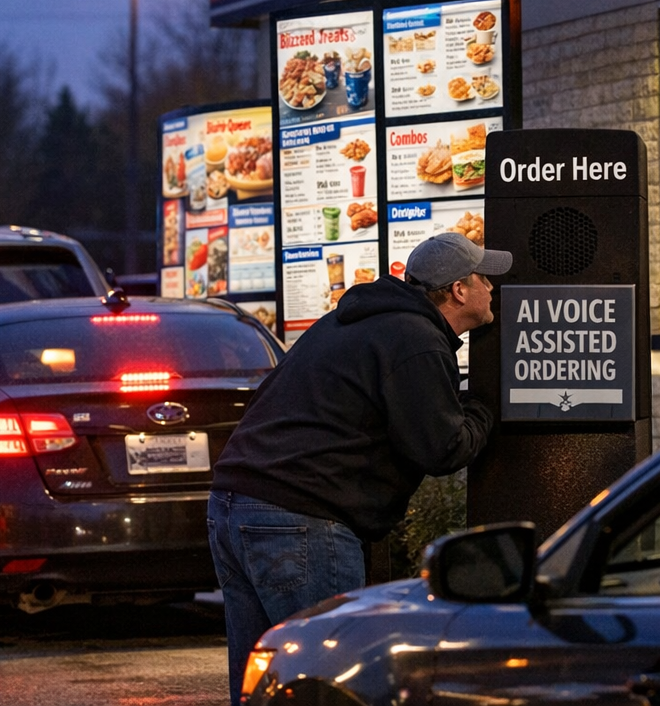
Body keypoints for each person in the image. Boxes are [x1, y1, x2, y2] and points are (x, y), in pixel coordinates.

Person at [207, 231, 511, 705]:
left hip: (233, 506)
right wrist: (483, 408)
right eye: (485, 278)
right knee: (327, 680)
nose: (492, 288)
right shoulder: (416, 340)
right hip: (302, 516)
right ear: (458, 290)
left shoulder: (350, 322)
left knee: (262, 686)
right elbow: (442, 449)